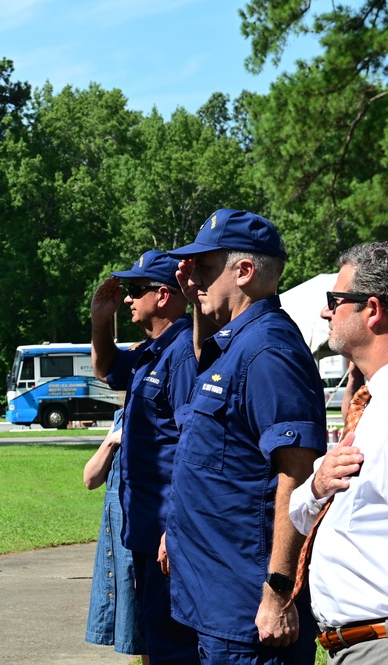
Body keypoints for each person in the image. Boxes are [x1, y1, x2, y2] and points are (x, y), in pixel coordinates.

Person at [163, 209, 326, 664]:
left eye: (205, 270)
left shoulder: (268, 351)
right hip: (218, 602)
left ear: (245, 271)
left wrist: (277, 593)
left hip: (248, 612)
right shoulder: (236, 342)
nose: (193, 280)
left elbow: (297, 476)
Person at [90, 249, 200, 663]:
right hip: (143, 529)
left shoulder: (185, 354)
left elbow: (192, 445)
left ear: (165, 295)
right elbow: (107, 370)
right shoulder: (151, 351)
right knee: (153, 635)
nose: (129, 299)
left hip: (166, 533)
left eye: (137, 290)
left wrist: (176, 529)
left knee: (173, 642)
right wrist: (102, 321)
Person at [289, 242, 388, 661]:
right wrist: (317, 485)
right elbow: (300, 507)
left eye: (335, 300)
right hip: (350, 646)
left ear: (372, 309)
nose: (326, 312)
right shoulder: (368, 406)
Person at [83, 409, 148, 662]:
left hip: (141, 537)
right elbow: (90, 479)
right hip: (120, 538)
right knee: (137, 627)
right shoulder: (121, 417)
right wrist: (111, 440)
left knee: (149, 625)